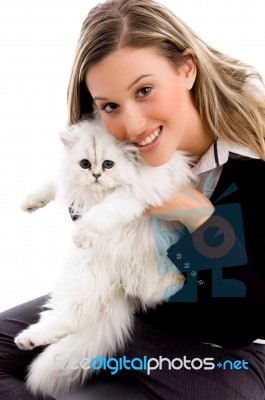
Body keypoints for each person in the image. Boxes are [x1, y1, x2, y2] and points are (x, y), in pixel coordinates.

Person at [1, 0, 265, 399]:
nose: (133, 125)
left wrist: (197, 217)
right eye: (110, 106)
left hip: (223, 342)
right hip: (126, 307)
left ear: (186, 69)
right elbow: (99, 241)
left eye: (144, 90)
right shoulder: (109, 150)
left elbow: (243, 320)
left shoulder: (253, 162)